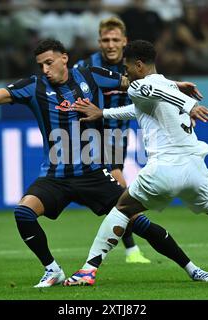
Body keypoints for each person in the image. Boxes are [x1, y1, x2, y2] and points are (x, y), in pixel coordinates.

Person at [0, 38, 208, 288]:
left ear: (64, 58)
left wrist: (174, 85)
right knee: (23, 213)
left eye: (49, 62)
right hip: (55, 176)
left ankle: (192, 269)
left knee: (139, 223)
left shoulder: (92, 76)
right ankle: (52, 270)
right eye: (41, 65)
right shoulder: (33, 86)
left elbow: (138, 82)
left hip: (94, 173)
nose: (45, 69)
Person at [64, 40, 208, 286]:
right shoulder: (168, 85)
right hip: (195, 171)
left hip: (164, 170)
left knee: (122, 209)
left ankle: (88, 270)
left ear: (139, 65)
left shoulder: (141, 86)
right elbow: (138, 110)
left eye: (127, 68)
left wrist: (190, 104)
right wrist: (103, 113)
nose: (126, 73)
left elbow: (149, 92)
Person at [74, 16, 151, 264]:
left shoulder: (133, 67)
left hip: (119, 136)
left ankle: (129, 248)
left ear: (124, 41)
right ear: (99, 42)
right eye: (105, 40)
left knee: (117, 195)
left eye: (115, 39)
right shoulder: (85, 67)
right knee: (121, 192)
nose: (110, 44)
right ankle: (133, 249)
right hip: (91, 136)